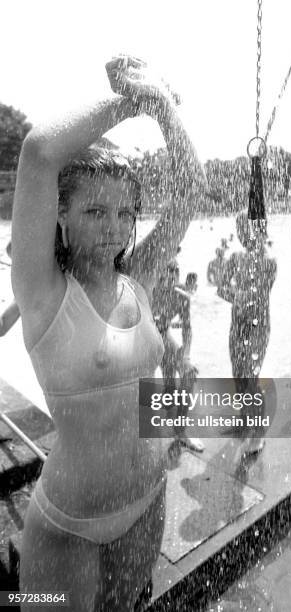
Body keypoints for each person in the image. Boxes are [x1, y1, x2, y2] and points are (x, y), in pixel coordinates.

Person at [11, 55, 207, 611]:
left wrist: (162, 105)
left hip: (148, 500)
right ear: (60, 216)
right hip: (65, 526)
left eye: (125, 214)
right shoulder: (44, 291)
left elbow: (192, 188)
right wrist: (134, 99)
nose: (115, 229)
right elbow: (40, 152)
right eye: (95, 211)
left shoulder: (136, 281)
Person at [218, 211, 277, 455]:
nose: (241, 234)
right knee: (238, 375)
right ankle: (244, 420)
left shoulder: (269, 260)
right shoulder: (235, 257)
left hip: (257, 326)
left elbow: (262, 295)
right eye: (238, 229)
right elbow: (221, 288)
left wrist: (242, 297)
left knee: (251, 377)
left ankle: (259, 434)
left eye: (245, 228)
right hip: (237, 324)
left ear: (257, 229)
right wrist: (236, 296)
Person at [152, 260, 204, 452]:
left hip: (163, 337)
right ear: (158, 273)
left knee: (188, 374)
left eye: (176, 272)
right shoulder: (145, 291)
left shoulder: (181, 297)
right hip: (141, 340)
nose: (172, 276)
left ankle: (180, 431)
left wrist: (186, 355)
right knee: (166, 386)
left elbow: (188, 330)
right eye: (167, 271)